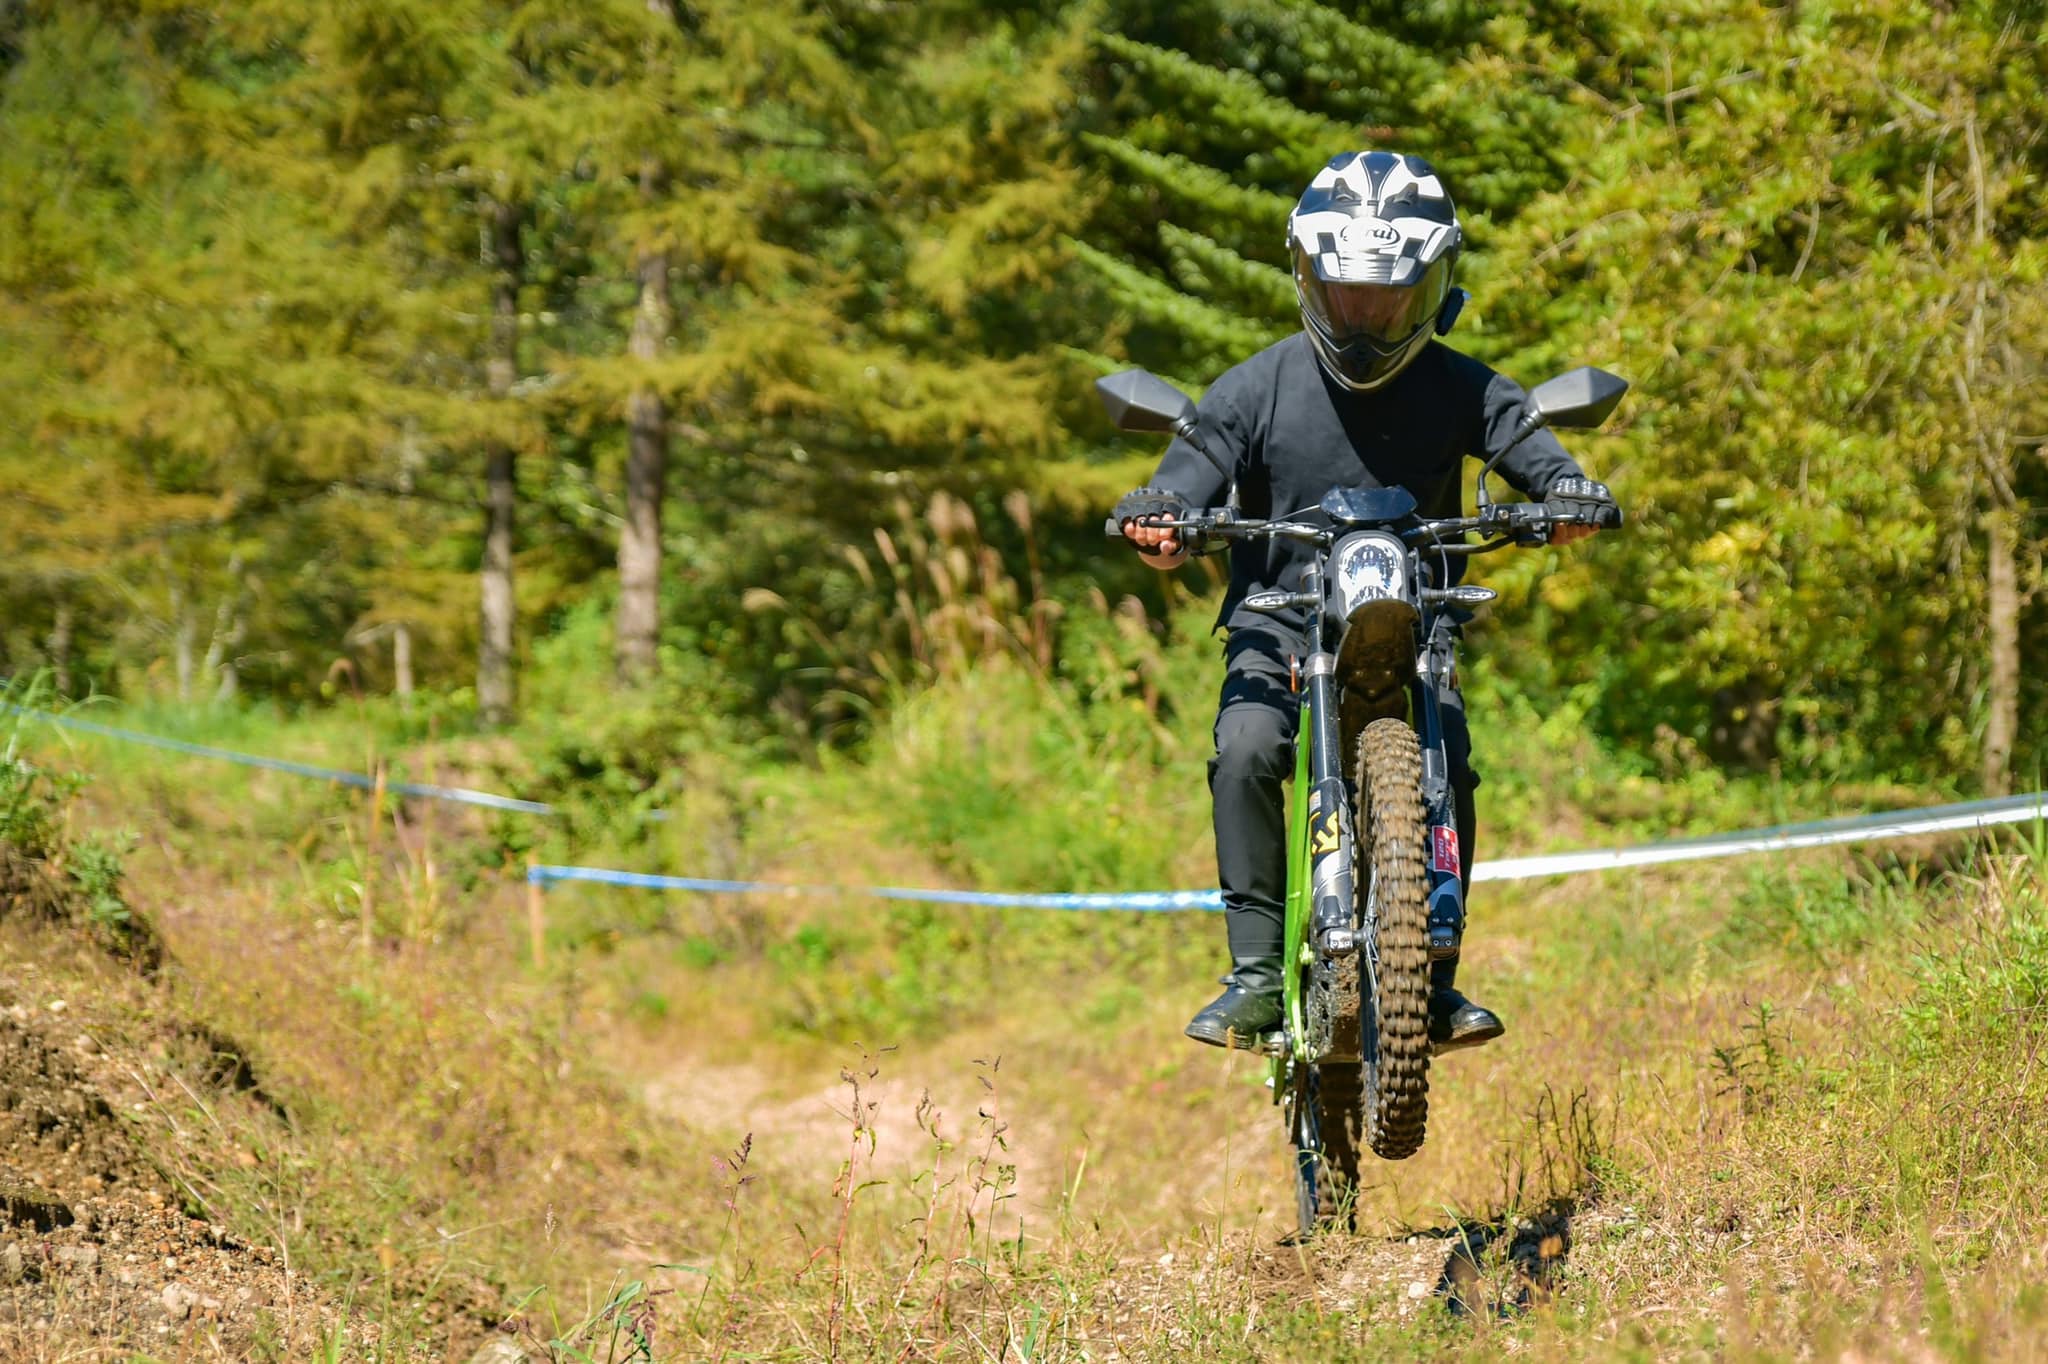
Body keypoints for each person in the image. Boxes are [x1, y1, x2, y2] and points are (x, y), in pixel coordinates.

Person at [1113, 150, 1619, 1052]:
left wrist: (1568, 497)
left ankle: (1437, 980)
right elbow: (1187, 474)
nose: (1366, 314)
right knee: (1247, 749)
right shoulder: (1256, 385)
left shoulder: (1466, 385)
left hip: (1414, 622)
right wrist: (1163, 519)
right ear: (1307, 275)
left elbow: (1532, 447)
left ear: (1431, 288)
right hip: (1278, 620)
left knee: (1449, 764)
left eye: (1387, 297)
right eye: (1346, 293)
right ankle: (1258, 977)